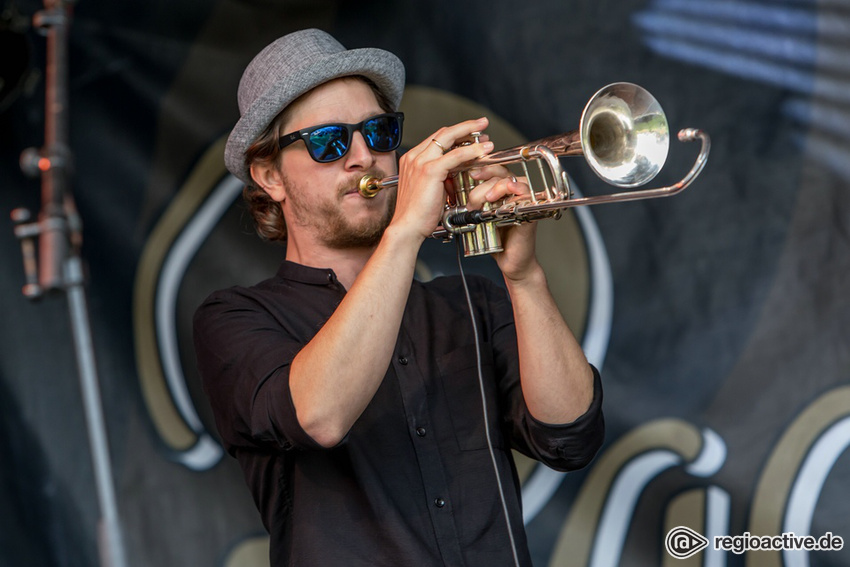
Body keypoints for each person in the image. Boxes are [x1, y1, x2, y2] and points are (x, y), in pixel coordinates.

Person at [193, 28, 604, 567]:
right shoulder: (235, 319)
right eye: (329, 142)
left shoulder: (471, 303)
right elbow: (318, 415)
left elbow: (569, 438)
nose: (363, 157)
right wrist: (405, 231)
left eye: (379, 132)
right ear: (269, 175)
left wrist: (524, 278)